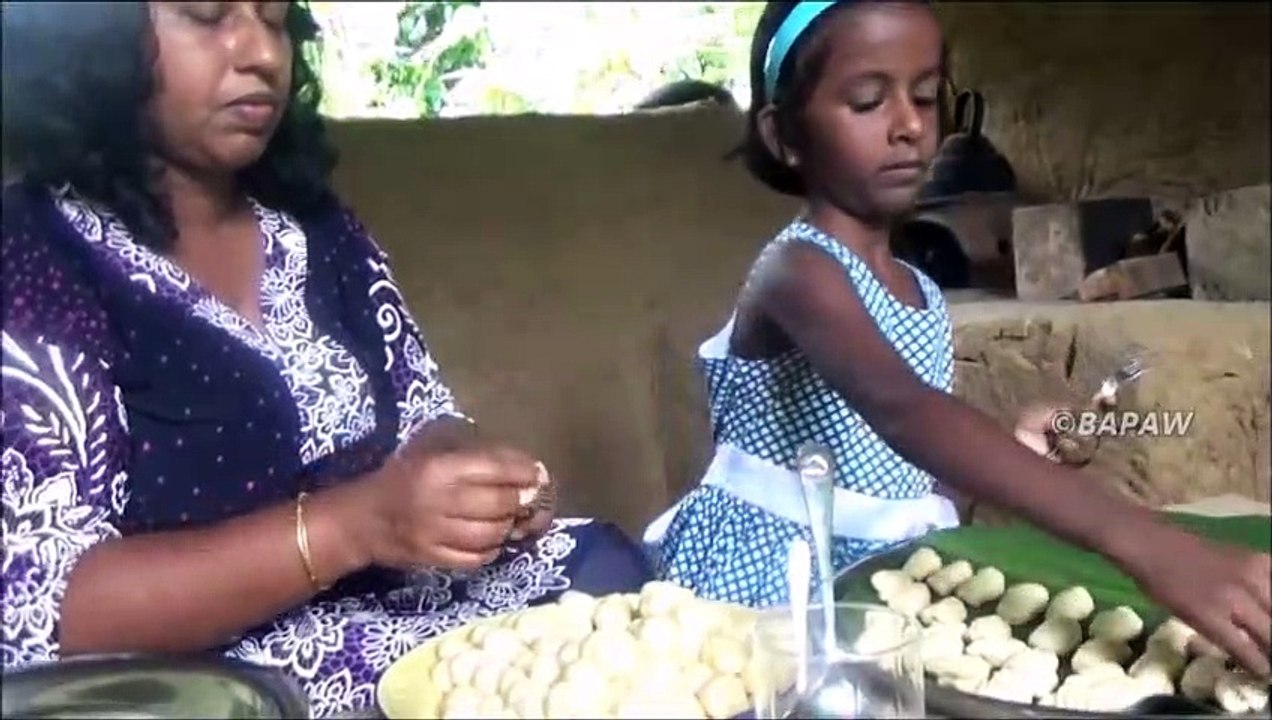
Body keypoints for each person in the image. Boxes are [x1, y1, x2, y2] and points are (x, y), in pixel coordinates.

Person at [0, 2, 651, 714]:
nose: (260, 54)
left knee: (606, 576)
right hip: (211, 672)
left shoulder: (318, 228)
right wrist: (355, 525)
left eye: (275, 19)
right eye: (209, 14)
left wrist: (466, 487)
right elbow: (49, 615)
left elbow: (423, 414)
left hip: (396, 605)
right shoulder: (36, 261)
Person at [645, 0, 1271, 678]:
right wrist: (1154, 546)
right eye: (866, 100)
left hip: (895, 573)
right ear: (784, 135)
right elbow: (902, 408)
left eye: (923, 96)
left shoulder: (919, 286)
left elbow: (900, 465)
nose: (909, 125)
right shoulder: (799, 269)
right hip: (781, 581)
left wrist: (1014, 449)